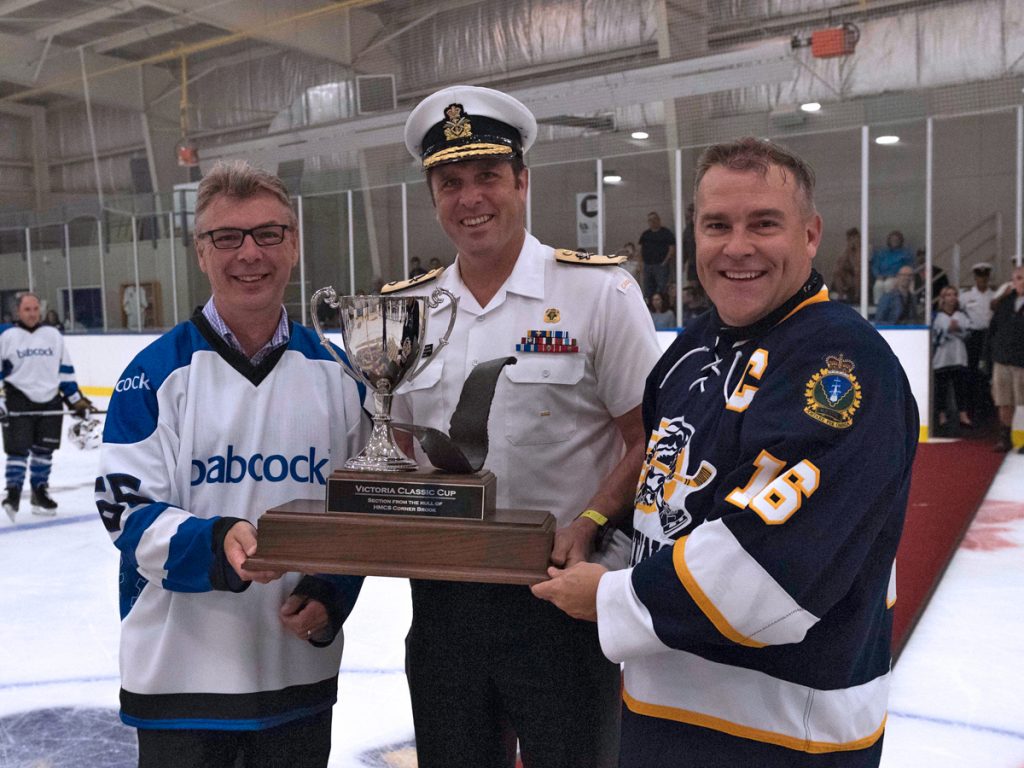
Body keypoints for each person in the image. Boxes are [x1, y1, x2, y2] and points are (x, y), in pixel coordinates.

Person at [533, 137, 919, 767]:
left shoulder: (843, 366)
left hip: (783, 738)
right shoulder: (692, 348)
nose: (737, 247)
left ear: (810, 235)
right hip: (660, 715)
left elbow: (767, 571)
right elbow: (665, 496)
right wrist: (602, 534)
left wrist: (607, 596)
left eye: (763, 224)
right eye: (717, 225)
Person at [392, 84, 662, 768]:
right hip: (445, 599)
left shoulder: (598, 294)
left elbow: (650, 437)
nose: (470, 198)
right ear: (433, 197)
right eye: (450, 183)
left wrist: (592, 521)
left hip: (561, 594)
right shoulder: (409, 311)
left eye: (488, 176)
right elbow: (394, 445)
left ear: (522, 182)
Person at [94, 160, 368, 767]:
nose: (249, 253)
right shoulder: (153, 374)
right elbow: (126, 512)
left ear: (293, 244)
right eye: (226, 237)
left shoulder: (342, 375)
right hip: (178, 682)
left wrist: (332, 590)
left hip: (296, 677)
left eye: (268, 233)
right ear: (201, 251)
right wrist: (217, 542)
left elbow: (360, 510)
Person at [0, 293, 97, 521]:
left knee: (44, 450)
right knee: (18, 449)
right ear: (18, 311)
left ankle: (39, 491)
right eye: (27, 309)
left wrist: (75, 400)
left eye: (35, 309)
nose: (32, 313)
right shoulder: (6, 336)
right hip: (18, 397)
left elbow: (65, 372)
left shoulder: (53, 335)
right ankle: (13, 492)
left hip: (51, 397)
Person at [986, 264, 1024, 453]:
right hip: (1003, 358)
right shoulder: (1005, 302)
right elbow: (993, 328)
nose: (1022, 282)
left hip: (1022, 361)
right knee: (1003, 401)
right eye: (1019, 278)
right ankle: (1005, 437)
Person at [959, 262, 998, 422]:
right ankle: (972, 409)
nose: (982, 279)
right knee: (972, 373)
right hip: (973, 338)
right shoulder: (966, 297)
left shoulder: (994, 296)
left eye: (985, 276)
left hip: (990, 337)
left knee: (988, 374)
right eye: (979, 276)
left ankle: (987, 411)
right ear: (975, 277)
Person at [931, 285, 973, 432]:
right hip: (942, 358)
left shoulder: (962, 315)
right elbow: (934, 338)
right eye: (948, 295)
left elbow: (968, 334)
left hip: (958, 356)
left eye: (954, 294)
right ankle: (941, 415)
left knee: (960, 387)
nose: (952, 298)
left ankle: (963, 415)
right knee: (941, 389)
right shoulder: (937, 316)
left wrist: (958, 330)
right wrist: (947, 331)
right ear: (943, 298)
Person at [639, 211, 675, 299]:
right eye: (650, 220)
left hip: (660, 266)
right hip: (647, 266)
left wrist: (665, 262)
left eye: (654, 219)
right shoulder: (645, 234)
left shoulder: (666, 233)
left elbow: (672, 248)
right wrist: (641, 263)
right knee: (648, 289)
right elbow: (640, 249)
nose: (653, 221)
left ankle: (663, 305)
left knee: (662, 288)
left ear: (659, 220)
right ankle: (649, 306)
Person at [870, 229, 913, 304]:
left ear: (901, 241)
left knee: (888, 284)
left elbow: (908, 268)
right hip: (882, 277)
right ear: (889, 240)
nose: (894, 241)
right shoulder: (882, 252)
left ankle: (889, 305)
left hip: (896, 277)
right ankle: (878, 305)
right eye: (892, 239)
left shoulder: (905, 254)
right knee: (878, 285)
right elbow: (875, 266)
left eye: (897, 240)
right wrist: (877, 275)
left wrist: (897, 275)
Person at [830, 226, 860, 303]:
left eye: (855, 238)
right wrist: (848, 251)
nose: (853, 241)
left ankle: (857, 296)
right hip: (849, 276)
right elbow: (840, 265)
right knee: (836, 272)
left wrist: (857, 250)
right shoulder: (846, 250)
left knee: (857, 272)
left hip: (861, 276)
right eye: (850, 239)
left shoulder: (864, 249)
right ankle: (841, 296)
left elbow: (857, 265)